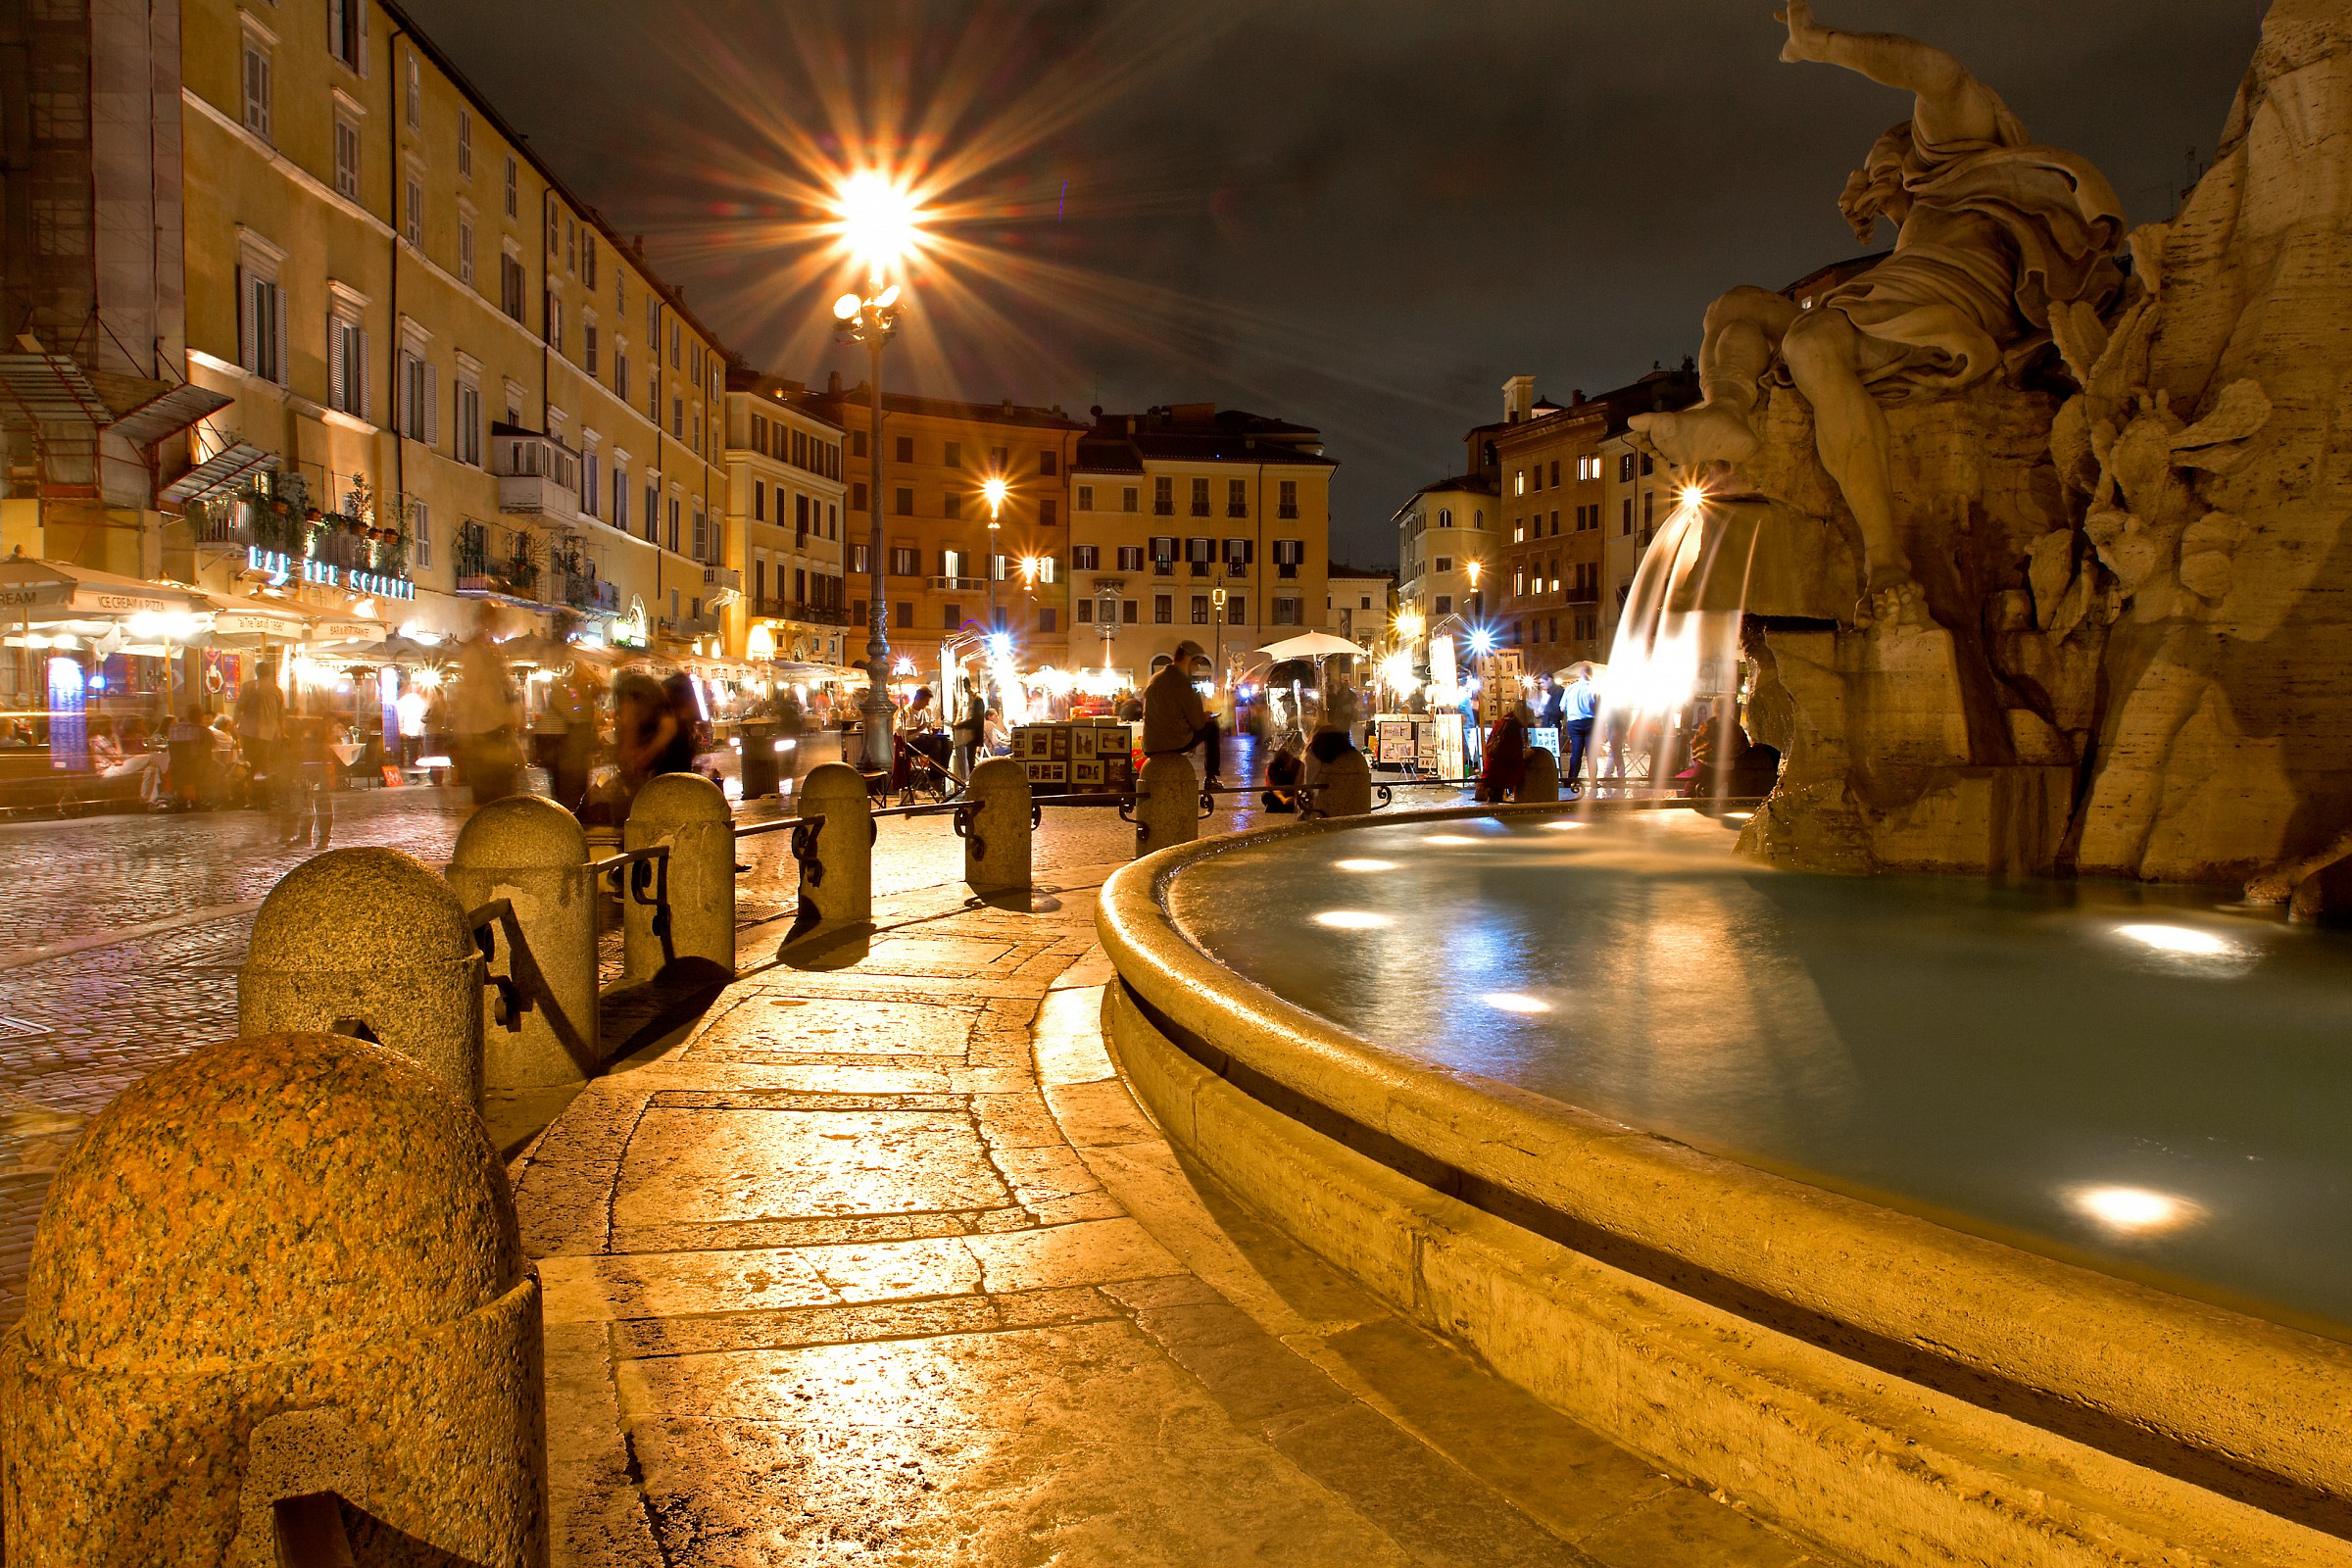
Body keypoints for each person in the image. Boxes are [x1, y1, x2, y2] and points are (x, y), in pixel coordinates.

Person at [1629, 0, 2124, 623]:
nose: (1873, 182)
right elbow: (1903, 232)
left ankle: (1885, 557)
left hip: (1958, 303)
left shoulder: (1960, 150)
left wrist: (1819, 44)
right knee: (1733, 307)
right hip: (1898, 296)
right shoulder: (1919, 222)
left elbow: (1938, 73)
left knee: (1812, 342)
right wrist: (1891, 209)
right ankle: (1728, 411)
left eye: (1881, 168)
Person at [452, 628, 521, 804]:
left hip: (492, 733)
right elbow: (468, 698)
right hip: (485, 735)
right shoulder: (478, 655)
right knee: (491, 792)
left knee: (496, 792)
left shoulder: (492, 656)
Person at [1143, 640, 1221, 788]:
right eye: (1196, 663)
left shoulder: (1156, 678)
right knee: (1213, 727)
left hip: (1150, 744)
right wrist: (1204, 717)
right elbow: (1197, 725)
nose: (1197, 668)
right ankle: (1211, 777)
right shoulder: (1183, 684)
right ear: (1187, 659)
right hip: (1174, 742)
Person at [233, 662, 287, 811]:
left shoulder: (249, 687)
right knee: (266, 766)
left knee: (252, 765)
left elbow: (239, 707)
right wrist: (282, 732)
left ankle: (255, 799)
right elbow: (281, 715)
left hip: (249, 732)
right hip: (270, 734)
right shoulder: (277, 690)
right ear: (269, 673)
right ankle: (267, 798)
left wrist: (234, 724)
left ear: (256, 672)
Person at [278, 712, 334, 849]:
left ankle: (323, 838)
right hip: (309, 769)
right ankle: (307, 836)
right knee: (306, 804)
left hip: (317, 770)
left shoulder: (311, 733)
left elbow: (319, 753)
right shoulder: (297, 735)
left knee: (321, 802)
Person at [1477, 702, 1531, 805]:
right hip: (1508, 767)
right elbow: (1516, 750)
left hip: (1495, 767)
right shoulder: (1516, 726)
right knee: (1498, 794)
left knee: (1495, 794)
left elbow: (1489, 744)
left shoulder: (1502, 723)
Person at [1561, 663, 1599, 796]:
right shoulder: (1593, 688)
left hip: (1574, 722)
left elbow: (1562, 707)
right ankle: (1593, 781)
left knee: (1576, 753)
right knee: (1591, 754)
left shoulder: (1570, 688)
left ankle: (1571, 779)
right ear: (1590, 674)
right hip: (1589, 722)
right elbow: (1597, 706)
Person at [948, 675, 985, 795]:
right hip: (966, 734)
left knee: (970, 759)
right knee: (967, 759)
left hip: (971, 734)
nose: (965, 690)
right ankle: (970, 784)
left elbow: (976, 720)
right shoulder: (970, 699)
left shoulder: (977, 699)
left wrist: (960, 725)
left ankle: (973, 785)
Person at [394, 682, 429, 767]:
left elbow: (399, 716)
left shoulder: (405, 700)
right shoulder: (424, 700)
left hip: (411, 732)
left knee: (412, 756)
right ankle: (417, 771)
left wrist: (401, 729)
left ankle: (413, 771)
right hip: (420, 732)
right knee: (421, 755)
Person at [1261, 741, 1302, 813]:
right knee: (1265, 796)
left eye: (1287, 766)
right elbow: (1273, 787)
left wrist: (1294, 797)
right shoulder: (1271, 767)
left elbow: (1300, 784)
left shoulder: (1298, 765)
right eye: (1282, 768)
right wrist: (1283, 799)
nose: (1285, 769)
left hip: (1293, 793)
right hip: (1280, 794)